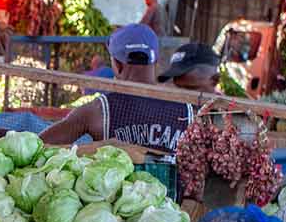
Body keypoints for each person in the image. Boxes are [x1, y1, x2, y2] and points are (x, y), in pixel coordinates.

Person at [39, 23, 194, 151]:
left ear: (118, 65)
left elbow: (40, 145)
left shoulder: (99, 110)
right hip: (174, 189)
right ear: (155, 61)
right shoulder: (187, 109)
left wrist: (84, 151)